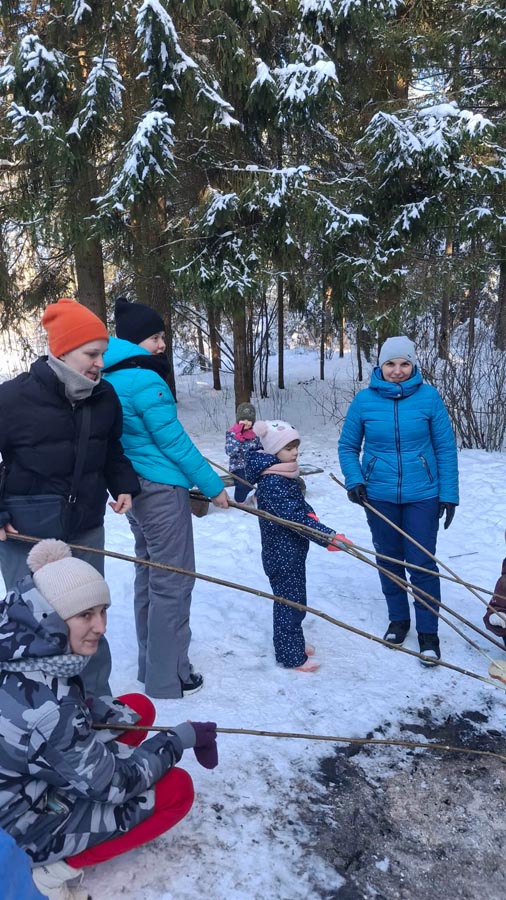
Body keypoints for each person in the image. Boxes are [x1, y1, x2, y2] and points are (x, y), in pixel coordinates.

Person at [0, 539, 218, 900]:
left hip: (23, 776)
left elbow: (62, 715)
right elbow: (113, 785)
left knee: (136, 710)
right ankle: (51, 873)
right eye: (86, 615)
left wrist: (99, 720)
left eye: (102, 611)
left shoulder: (22, 641)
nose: (100, 627)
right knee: (176, 790)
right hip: (20, 822)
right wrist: (177, 741)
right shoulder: (50, 710)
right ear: (51, 616)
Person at [0, 298, 140, 697]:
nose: (99, 363)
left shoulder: (105, 397)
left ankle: (96, 703)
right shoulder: (11, 399)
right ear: (61, 350)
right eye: (91, 354)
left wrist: (124, 484)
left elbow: (112, 449)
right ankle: (34, 708)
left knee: (89, 616)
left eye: (102, 353)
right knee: (34, 621)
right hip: (25, 532)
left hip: (85, 527)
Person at [102, 297, 229, 700]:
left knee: (149, 578)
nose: (162, 345)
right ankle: (170, 677)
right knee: (173, 583)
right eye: (156, 337)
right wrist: (212, 486)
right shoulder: (145, 379)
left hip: (136, 492)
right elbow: (173, 442)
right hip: (161, 492)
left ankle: (150, 667)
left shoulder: (112, 378)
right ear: (138, 340)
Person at [338, 335, 459, 662]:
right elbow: (348, 447)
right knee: (389, 560)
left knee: (421, 563)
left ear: (414, 364)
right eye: (390, 364)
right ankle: (399, 619)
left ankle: (428, 633)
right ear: (380, 365)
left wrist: (448, 494)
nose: (397, 370)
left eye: (404, 363)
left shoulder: (429, 398)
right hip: (379, 495)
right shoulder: (364, 402)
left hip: (424, 495)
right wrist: (355, 479)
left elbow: (446, 449)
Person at [245, 420, 349, 671]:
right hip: (282, 553)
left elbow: (298, 507)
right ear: (272, 450)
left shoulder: (281, 473)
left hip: (289, 550)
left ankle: (292, 643)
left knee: (294, 600)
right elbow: (292, 518)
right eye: (288, 447)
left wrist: (311, 516)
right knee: (289, 603)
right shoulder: (273, 481)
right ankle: (291, 656)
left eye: (296, 447)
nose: (295, 452)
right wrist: (327, 537)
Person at [225, 402, 262, 503]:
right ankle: (239, 500)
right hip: (238, 466)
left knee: (267, 477)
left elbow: (259, 448)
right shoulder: (232, 433)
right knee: (244, 482)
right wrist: (237, 440)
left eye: (249, 420)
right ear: (238, 420)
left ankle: (258, 495)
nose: (246, 422)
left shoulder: (254, 434)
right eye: (243, 419)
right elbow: (229, 452)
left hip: (252, 464)